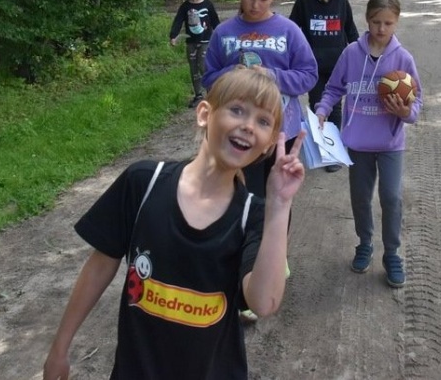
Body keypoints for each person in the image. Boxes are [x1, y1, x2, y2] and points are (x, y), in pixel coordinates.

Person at [43, 67, 307, 380]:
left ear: (266, 145)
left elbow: (263, 303)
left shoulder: (256, 215)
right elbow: (101, 265)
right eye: (237, 110)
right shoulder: (143, 183)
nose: (248, 126)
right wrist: (59, 348)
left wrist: (279, 204)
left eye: (263, 121)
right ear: (204, 114)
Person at [314, 0, 422, 289]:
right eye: (376, 22)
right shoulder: (351, 54)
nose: (381, 29)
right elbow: (334, 88)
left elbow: (418, 104)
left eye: (388, 23)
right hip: (358, 142)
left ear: (397, 22)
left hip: (390, 143)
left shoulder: (403, 58)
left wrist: (405, 113)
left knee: (391, 197)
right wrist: (322, 110)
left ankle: (392, 254)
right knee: (360, 198)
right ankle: (364, 243)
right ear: (367, 19)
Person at [203, 0, 317, 199]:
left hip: (283, 131)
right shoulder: (223, 33)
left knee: (279, 197)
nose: (255, 5)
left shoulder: (289, 31)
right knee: (242, 197)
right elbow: (209, 80)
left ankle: (276, 238)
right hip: (238, 133)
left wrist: (272, 76)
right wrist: (232, 73)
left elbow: (309, 75)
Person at [288, 0, 359, 173]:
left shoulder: (341, 0)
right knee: (319, 104)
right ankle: (320, 146)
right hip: (313, 66)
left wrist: (359, 53)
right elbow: (293, 30)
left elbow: (350, 30)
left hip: (337, 64)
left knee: (336, 105)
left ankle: (334, 151)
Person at [169, 0, 221, 108]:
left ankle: (213, 93)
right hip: (191, 42)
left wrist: (221, 35)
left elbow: (215, 21)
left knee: (203, 66)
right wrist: (173, 35)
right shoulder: (185, 7)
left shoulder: (207, 4)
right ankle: (198, 95)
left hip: (206, 41)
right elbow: (178, 21)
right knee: (193, 68)